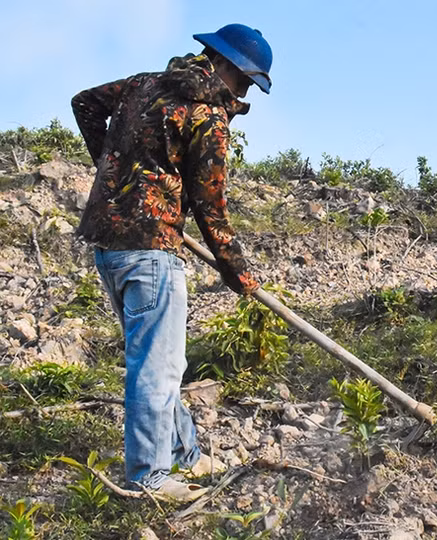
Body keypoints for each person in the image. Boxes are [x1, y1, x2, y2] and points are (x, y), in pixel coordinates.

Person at [71, 23, 272, 502]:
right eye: (245, 82)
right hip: (150, 251)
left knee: (160, 357)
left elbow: (85, 102)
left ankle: (184, 451)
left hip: (109, 245)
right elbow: (211, 208)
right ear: (224, 67)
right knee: (157, 367)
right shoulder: (208, 116)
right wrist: (239, 273)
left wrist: (114, 169)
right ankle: (149, 476)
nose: (245, 93)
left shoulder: (143, 84)